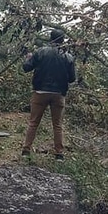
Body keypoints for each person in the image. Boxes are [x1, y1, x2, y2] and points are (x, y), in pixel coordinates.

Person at [21, 29, 76, 160]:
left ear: (50, 39)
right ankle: (59, 154)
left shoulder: (40, 51)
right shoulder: (68, 56)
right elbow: (72, 79)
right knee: (57, 125)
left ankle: (26, 151)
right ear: (63, 40)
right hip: (58, 94)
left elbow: (26, 68)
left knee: (33, 122)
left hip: (40, 92)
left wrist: (28, 58)